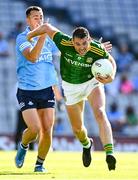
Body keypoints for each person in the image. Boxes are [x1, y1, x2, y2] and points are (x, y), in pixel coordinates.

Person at [27, 23, 117, 170]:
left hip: (91, 82)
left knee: (100, 112)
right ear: (72, 41)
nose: (81, 47)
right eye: (77, 44)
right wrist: (30, 36)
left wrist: (111, 76)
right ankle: (87, 145)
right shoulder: (63, 41)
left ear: (89, 39)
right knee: (77, 129)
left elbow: (111, 60)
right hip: (71, 88)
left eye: (84, 43)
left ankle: (110, 153)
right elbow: (47, 27)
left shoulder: (97, 48)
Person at [15, 6, 60, 173]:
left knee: (47, 129)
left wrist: (94, 47)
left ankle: (39, 164)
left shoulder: (49, 37)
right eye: (35, 17)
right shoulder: (22, 38)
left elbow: (68, 47)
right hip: (27, 90)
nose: (39, 20)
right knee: (34, 129)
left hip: (47, 90)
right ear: (28, 20)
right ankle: (23, 145)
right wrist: (42, 36)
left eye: (41, 17)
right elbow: (32, 57)